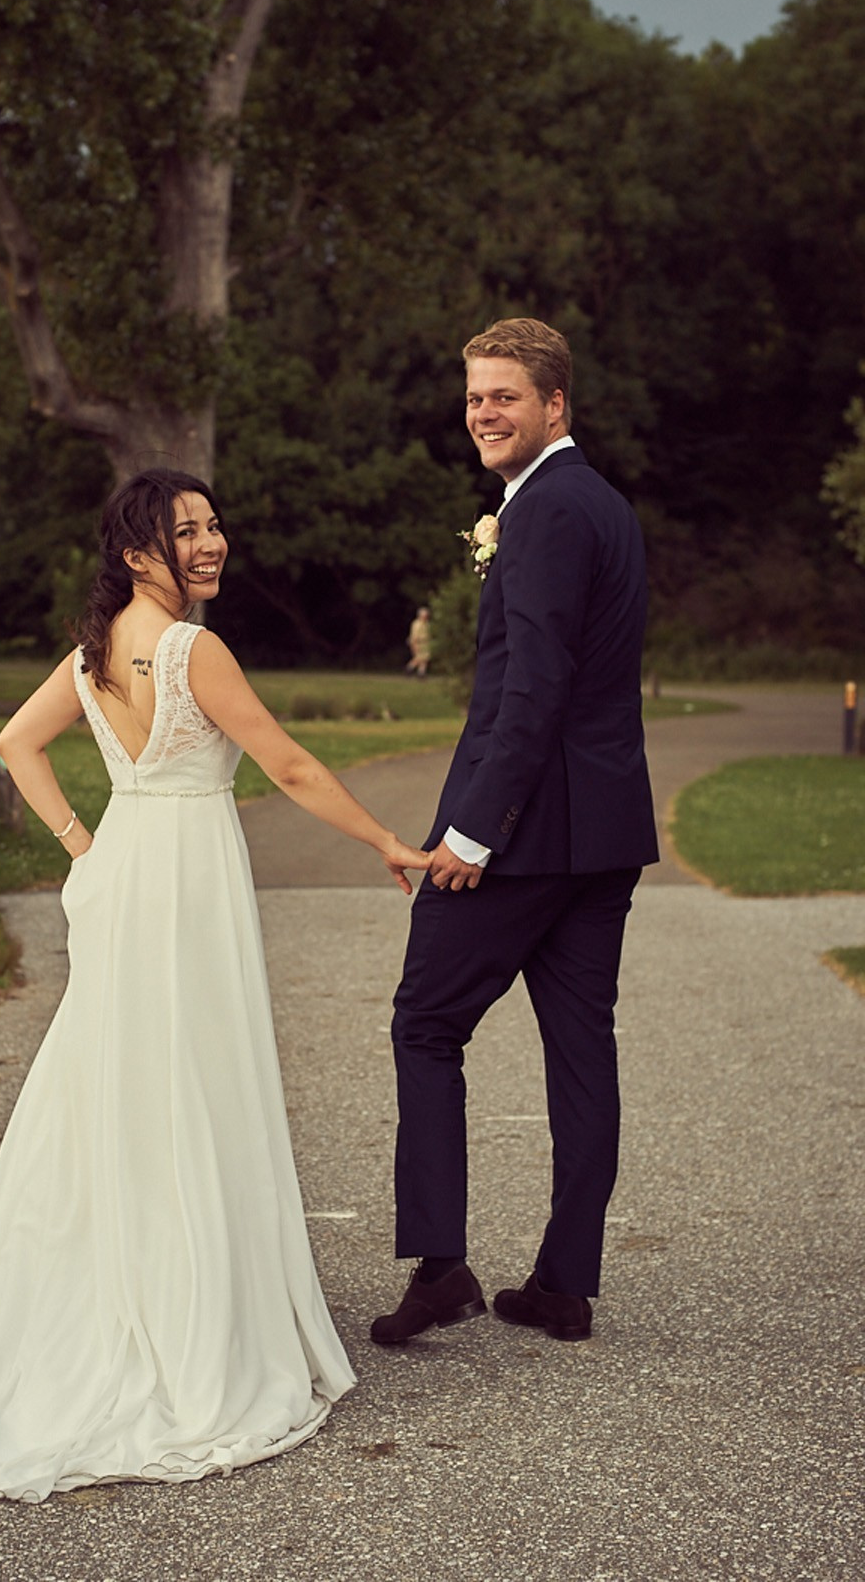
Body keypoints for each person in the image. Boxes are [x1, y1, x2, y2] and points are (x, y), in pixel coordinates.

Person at [0, 468, 428, 1503]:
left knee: (124, 1080)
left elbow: (16, 742)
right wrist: (384, 840)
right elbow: (287, 764)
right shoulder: (190, 649)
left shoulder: (97, 650)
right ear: (139, 554)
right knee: (193, 1076)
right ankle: (189, 1316)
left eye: (214, 524)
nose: (212, 542)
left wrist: (82, 844)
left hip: (126, 866)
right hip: (186, 876)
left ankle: (129, 1284)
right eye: (187, 532)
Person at [370, 318, 658, 1349]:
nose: (484, 413)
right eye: (475, 397)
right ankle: (563, 1286)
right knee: (582, 1050)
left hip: (526, 837)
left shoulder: (541, 511)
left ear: (555, 404)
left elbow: (533, 689)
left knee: (425, 1023)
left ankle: (441, 1265)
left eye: (505, 396)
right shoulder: (604, 505)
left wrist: (475, 835)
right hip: (604, 832)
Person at [406, 605, 432, 678]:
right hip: (418, 643)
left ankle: (421, 673)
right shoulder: (417, 624)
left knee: (424, 659)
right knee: (418, 658)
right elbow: (414, 635)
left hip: (426, 644)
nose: (426, 617)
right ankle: (409, 669)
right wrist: (414, 644)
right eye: (424, 615)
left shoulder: (427, 624)